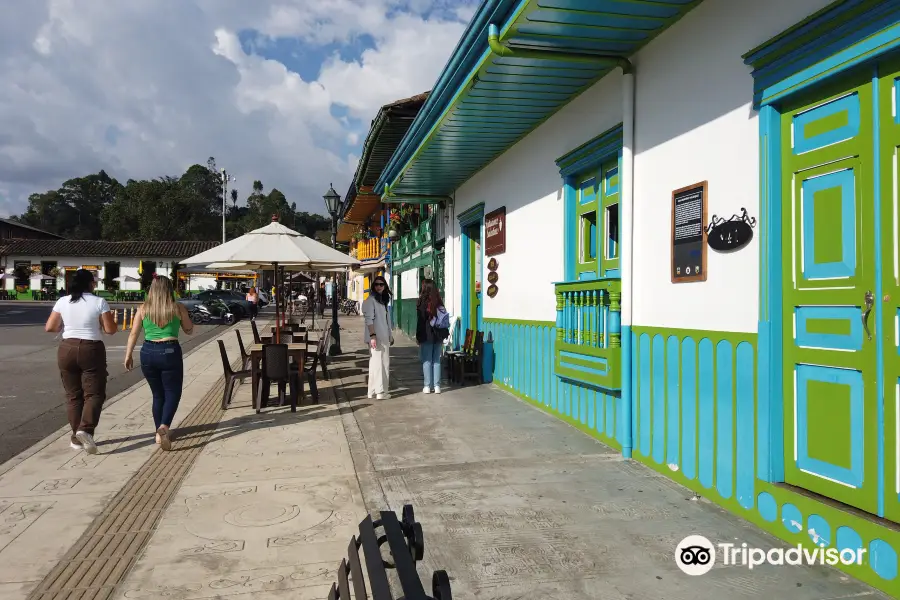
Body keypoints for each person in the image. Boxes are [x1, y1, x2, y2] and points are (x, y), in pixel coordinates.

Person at [44, 269, 117, 454]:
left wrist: (66, 325)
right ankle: (86, 428)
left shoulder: (63, 301)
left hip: (66, 348)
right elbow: (110, 329)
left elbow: (50, 327)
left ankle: (76, 438)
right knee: (94, 394)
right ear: (91, 284)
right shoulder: (99, 302)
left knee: (73, 395)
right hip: (91, 349)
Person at [123, 276, 194, 451]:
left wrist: (128, 354)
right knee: (173, 392)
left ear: (152, 290)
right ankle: (164, 427)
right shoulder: (177, 308)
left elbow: (133, 334)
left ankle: (157, 434)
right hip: (170, 351)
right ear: (170, 289)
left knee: (157, 394)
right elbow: (189, 329)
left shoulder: (143, 309)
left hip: (147, 352)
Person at [362, 276, 394, 400]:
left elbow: (386, 321)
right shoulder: (370, 300)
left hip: (384, 335)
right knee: (382, 364)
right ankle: (381, 391)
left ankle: (372, 390)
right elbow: (369, 320)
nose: (379, 286)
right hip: (376, 336)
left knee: (376, 363)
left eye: (381, 284)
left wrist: (390, 335)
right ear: (373, 286)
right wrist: (372, 336)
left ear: (385, 286)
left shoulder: (382, 300)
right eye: (376, 284)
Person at [416, 279, 447, 394]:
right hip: (438, 334)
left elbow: (420, 322)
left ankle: (427, 386)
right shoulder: (439, 301)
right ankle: (437, 386)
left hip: (426, 334)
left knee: (427, 360)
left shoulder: (421, 302)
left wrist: (418, 336)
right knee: (436, 360)